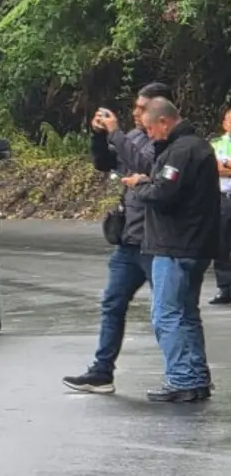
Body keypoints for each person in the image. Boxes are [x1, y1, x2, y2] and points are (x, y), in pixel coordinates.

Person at [61, 82, 170, 394]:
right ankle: (102, 370)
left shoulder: (165, 143)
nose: (135, 113)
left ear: (159, 110)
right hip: (129, 239)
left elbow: (143, 163)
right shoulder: (133, 137)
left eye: (141, 108)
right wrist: (99, 135)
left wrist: (116, 133)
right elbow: (105, 162)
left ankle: (181, 373)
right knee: (112, 303)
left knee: (166, 311)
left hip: (157, 241)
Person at [123, 97, 219, 402]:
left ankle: (181, 378)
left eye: (151, 128)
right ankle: (195, 377)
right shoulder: (196, 146)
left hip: (177, 244)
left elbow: (165, 193)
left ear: (164, 121)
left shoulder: (181, 151)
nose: (149, 135)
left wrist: (139, 185)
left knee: (167, 314)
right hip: (195, 243)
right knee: (187, 313)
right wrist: (149, 180)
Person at [207, 106, 231, 304]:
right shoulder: (215, 144)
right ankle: (225, 288)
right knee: (221, 243)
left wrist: (226, 167)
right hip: (222, 198)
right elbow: (214, 169)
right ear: (224, 123)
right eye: (229, 120)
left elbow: (224, 168)